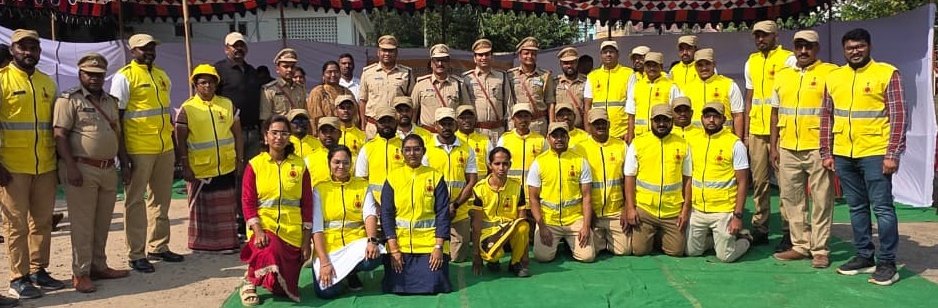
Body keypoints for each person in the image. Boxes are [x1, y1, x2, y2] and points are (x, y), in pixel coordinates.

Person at [821, 28, 906, 286]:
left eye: (859, 47)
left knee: (882, 208)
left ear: (869, 46)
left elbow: (899, 116)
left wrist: (892, 153)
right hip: (844, 154)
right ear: (844, 50)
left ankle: (887, 262)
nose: (855, 51)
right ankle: (864, 256)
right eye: (850, 48)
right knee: (857, 208)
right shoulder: (834, 77)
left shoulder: (887, 73)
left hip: (875, 152)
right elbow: (826, 116)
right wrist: (827, 151)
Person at [53, 53, 130, 294]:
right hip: (81, 168)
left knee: (102, 222)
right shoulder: (69, 100)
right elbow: (60, 135)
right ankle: (81, 273)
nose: (95, 79)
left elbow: (117, 133)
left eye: (99, 75)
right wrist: (71, 166)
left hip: (108, 168)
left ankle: (99, 265)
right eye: (90, 74)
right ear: (80, 74)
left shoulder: (110, 101)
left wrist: (124, 163)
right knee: (83, 224)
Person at [110, 33, 183, 272]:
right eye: (143, 48)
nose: (149, 51)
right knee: (135, 203)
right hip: (138, 149)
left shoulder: (162, 76)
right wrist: (123, 156)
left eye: (151, 47)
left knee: (161, 201)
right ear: (132, 52)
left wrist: (173, 145)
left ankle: (159, 246)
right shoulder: (124, 77)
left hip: (164, 148)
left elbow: (166, 114)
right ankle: (136, 253)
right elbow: (117, 119)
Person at [0, 29, 64, 300]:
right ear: (13, 50)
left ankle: (39, 270)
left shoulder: (47, 83)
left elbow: (56, 126)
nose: (29, 52)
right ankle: (19, 277)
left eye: (34, 48)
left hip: (46, 165)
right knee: (16, 225)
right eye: (23, 47)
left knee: (42, 222)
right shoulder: (2, 81)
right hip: (12, 166)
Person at [769, 30, 837, 268]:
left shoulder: (830, 73)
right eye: (799, 46)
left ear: (817, 48)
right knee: (791, 198)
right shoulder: (783, 75)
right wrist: (774, 145)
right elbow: (775, 111)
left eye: (808, 46)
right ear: (794, 48)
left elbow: (836, 110)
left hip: (818, 147)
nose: (803, 51)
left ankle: (820, 249)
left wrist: (830, 146)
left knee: (821, 199)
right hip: (787, 146)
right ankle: (800, 245)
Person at [240, 115, 313, 304]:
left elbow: (307, 203)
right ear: (266, 136)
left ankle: (269, 277)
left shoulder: (300, 165)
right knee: (268, 247)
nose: (278, 137)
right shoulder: (255, 165)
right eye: (274, 133)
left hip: (292, 232)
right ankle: (249, 281)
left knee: (281, 289)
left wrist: (306, 241)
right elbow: (247, 201)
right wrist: (258, 231)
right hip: (266, 226)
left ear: (289, 137)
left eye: (283, 133)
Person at [175, 64, 244, 254]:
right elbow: (180, 139)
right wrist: (184, 164)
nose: (207, 86)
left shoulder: (227, 104)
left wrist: (240, 160)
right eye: (203, 82)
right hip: (201, 167)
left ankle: (227, 243)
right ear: (195, 85)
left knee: (226, 207)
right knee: (203, 209)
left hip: (226, 164)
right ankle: (202, 244)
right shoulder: (187, 108)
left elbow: (237, 134)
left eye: (211, 82)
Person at [745, 20, 797, 250]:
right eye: (757, 35)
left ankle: (789, 231)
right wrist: (746, 133)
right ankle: (761, 227)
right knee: (759, 182)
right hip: (757, 130)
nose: (760, 39)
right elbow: (750, 98)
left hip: (782, 130)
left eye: (764, 35)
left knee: (786, 183)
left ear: (776, 36)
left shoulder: (789, 59)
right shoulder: (752, 61)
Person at [380, 135, 452, 294]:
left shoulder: (435, 176)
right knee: (397, 287)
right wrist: (394, 250)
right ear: (402, 152)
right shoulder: (392, 178)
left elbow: (442, 214)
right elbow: (386, 214)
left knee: (434, 284)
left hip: (429, 244)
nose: (412, 153)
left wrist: (438, 247)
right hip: (401, 244)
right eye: (408, 149)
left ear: (424, 151)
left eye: (417, 149)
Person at [311, 145, 382, 298]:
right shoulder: (319, 189)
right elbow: (317, 228)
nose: (341, 167)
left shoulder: (362, 186)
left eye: (346, 162)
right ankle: (342, 277)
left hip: (355, 244)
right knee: (327, 293)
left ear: (351, 163)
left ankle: (351, 272)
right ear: (329, 163)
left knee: (375, 257)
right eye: (336, 162)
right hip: (330, 248)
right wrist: (324, 262)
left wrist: (372, 240)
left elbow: (370, 215)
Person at [685, 103, 751, 263]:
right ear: (701, 119)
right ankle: (717, 240)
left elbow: (743, 182)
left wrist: (737, 216)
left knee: (725, 257)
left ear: (723, 119)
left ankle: (746, 239)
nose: (711, 120)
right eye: (707, 116)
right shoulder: (692, 141)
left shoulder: (735, 144)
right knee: (690, 251)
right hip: (698, 209)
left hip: (723, 211)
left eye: (716, 117)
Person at [624, 104, 692, 257]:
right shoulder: (638, 143)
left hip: (672, 210)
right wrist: (630, 208)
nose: (661, 124)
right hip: (645, 210)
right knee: (639, 251)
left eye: (665, 120)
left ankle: (660, 235)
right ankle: (652, 235)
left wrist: (685, 210)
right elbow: (629, 177)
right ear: (651, 121)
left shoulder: (682, 144)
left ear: (672, 121)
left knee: (676, 252)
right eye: (657, 120)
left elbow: (687, 179)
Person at [214, 32, 261, 240]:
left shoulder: (252, 71)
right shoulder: (219, 70)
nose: (238, 49)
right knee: (232, 176)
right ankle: (230, 220)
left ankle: (245, 219)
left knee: (249, 178)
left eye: (241, 46)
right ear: (226, 48)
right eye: (234, 46)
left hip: (254, 132)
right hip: (231, 133)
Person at [529, 122, 594, 263]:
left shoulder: (580, 161)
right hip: (549, 221)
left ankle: (569, 243)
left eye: (562, 135)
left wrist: (586, 226)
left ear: (568, 138)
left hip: (574, 219)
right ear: (548, 138)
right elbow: (533, 199)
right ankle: (560, 243)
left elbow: (587, 197)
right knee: (543, 257)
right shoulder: (539, 163)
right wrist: (542, 227)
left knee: (587, 257)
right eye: (555, 136)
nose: (559, 139)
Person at [424, 108, 479, 263]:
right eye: (443, 124)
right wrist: (441, 207)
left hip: (458, 210)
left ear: (455, 125)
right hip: (432, 209)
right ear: (436, 126)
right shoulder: (427, 149)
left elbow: (472, 180)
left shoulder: (466, 149)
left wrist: (455, 205)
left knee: (457, 257)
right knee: (434, 254)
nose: (446, 127)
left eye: (450, 123)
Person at [470, 147, 531, 277]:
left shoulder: (516, 186)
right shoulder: (479, 189)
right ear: (490, 165)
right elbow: (476, 224)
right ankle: (494, 260)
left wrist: (525, 255)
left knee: (523, 226)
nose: (501, 168)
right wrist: (476, 254)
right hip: (489, 233)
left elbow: (522, 218)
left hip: (509, 230)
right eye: (497, 164)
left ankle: (515, 262)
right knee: (493, 255)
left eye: (505, 163)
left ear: (510, 165)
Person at [575, 109, 628, 256]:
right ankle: (600, 238)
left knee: (624, 250)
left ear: (609, 124)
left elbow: (628, 180)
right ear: (589, 126)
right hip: (592, 213)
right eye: (596, 123)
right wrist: (586, 214)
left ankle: (606, 238)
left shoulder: (621, 146)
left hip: (615, 212)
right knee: (589, 251)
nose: (600, 126)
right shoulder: (579, 148)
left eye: (603, 123)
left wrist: (626, 207)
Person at [360, 35, 416, 139]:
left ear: (396, 53)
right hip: (373, 125)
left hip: (397, 127)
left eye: (391, 51)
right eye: (384, 50)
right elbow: (363, 100)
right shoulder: (367, 72)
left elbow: (411, 102)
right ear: (378, 52)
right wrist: (363, 126)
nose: (387, 54)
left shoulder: (406, 73)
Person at [462, 39, 514, 142]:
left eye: (487, 54)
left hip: (498, 131)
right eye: (480, 55)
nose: (483, 58)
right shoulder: (467, 78)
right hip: (476, 131)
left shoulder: (502, 77)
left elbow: (509, 105)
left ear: (492, 57)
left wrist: (510, 131)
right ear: (474, 58)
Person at [684, 48, 744, 137]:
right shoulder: (686, 88)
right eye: (700, 65)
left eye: (707, 64)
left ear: (714, 64)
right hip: (694, 140)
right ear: (695, 67)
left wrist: (738, 141)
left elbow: (738, 115)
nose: (704, 68)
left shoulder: (729, 84)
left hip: (723, 138)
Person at [413, 44, 470, 132]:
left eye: (444, 60)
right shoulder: (421, 84)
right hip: (427, 134)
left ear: (449, 63)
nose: (440, 64)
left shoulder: (458, 84)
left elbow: (466, 111)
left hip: (451, 134)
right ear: (431, 63)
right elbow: (413, 110)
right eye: (437, 60)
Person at [626, 52, 681, 141]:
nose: (651, 68)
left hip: (663, 136)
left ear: (661, 67)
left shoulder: (671, 86)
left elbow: (677, 114)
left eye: (655, 65)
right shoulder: (637, 86)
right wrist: (630, 138)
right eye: (648, 65)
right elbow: (631, 115)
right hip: (640, 137)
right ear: (644, 67)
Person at [585, 41, 633, 140]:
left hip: (621, 132)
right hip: (598, 131)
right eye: (605, 52)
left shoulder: (628, 73)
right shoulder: (592, 76)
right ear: (601, 55)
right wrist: (589, 131)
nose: (608, 54)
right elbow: (587, 106)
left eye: (611, 52)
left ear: (618, 54)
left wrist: (630, 132)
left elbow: (632, 105)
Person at [355, 106, 404, 203]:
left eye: (390, 121)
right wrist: (370, 204)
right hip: (375, 203)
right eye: (383, 121)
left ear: (396, 122)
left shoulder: (405, 146)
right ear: (376, 123)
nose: (386, 125)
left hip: (402, 201)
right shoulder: (367, 148)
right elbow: (361, 179)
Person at [509, 37, 554, 135]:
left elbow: (550, 102)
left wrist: (551, 125)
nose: (530, 56)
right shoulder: (511, 75)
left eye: (533, 54)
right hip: (518, 124)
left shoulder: (545, 75)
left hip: (538, 123)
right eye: (526, 53)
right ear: (519, 55)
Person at [496, 103, 547, 186]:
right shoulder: (505, 139)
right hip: (510, 187)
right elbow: (497, 164)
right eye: (519, 116)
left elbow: (546, 165)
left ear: (531, 118)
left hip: (532, 187)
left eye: (526, 116)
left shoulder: (540, 140)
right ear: (513, 119)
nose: (523, 120)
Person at [259, 48, 306, 124]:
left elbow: (305, 113)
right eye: (286, 66)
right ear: (277, 69)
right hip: (279, 133)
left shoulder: (300, 88)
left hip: (297, 132)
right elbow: (265, 119)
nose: (290, 70)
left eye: (292, 66)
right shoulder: (269, 90)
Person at [307, 61, 355, 131]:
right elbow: (315, 118)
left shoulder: (347, 92)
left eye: (336, 72)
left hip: (347, 132)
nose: (333, 75)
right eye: (329, 72)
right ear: (323, 75)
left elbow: (355, 115)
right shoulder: (317, 92)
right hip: (326, 133)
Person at [553, 47, 588, 129]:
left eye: (572, 62)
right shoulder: (554, 83)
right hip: (560, 131)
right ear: (560, 64)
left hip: (581, 130)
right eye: (566, 63)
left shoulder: (586, 82)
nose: (569, 66)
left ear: (577, 63)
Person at [455, 105, 494, 177]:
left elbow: (492, 165)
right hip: (459, 183)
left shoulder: (484, 140)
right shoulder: (452, 139)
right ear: (456, 120)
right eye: (462, 118)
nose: (467, 120)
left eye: (470, 117)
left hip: (480, 184)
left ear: (475, 119)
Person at [308, 117, 344, 188]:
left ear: (340, 134)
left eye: (332, 131)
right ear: (318, 134)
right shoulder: (309, 160)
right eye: (324, 131)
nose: (328, 135)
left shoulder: (351, 158)